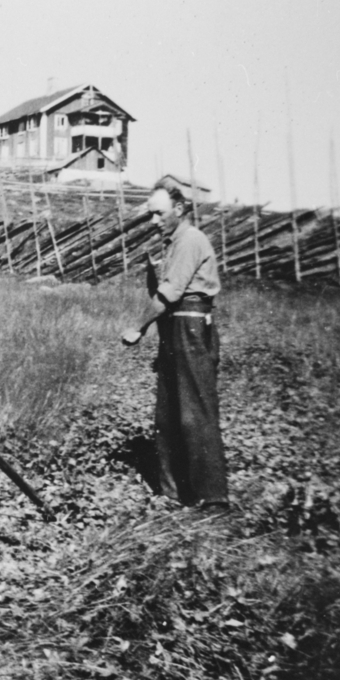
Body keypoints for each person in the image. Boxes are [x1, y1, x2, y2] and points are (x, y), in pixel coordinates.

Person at [122, 183, 229, 511]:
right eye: (150, 213)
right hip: (174, 328)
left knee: (195, 411)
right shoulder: (173, 243)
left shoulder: (190, 240)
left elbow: (169, 294)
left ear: (179, 210)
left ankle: (212, 498)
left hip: (190, 327)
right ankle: (174, 493)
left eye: (159, 212)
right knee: (167, 414)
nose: (153, 220)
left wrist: (138, 328)